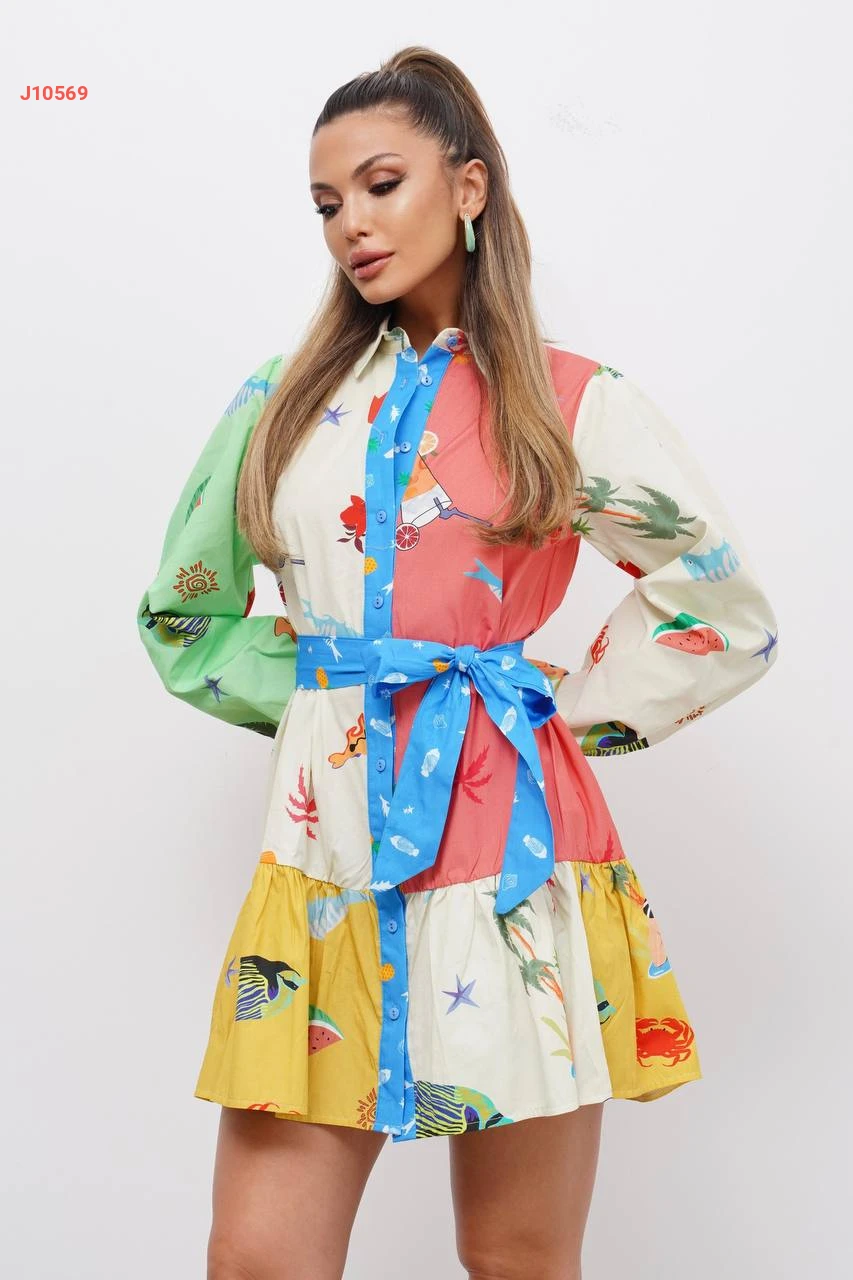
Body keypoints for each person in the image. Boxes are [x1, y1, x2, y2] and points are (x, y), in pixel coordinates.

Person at [136, 44, 780, 1280]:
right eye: (327, 202)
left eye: (382, 184)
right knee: (258, 1256)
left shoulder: (571, 401)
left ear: (468, 187)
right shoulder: (280, 403)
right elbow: (185, 617)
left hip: (514, 862)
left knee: (516, 1256)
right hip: (322, 862)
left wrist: (551, 719)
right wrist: (334, 700)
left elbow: (719, 607)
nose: (352, 223)